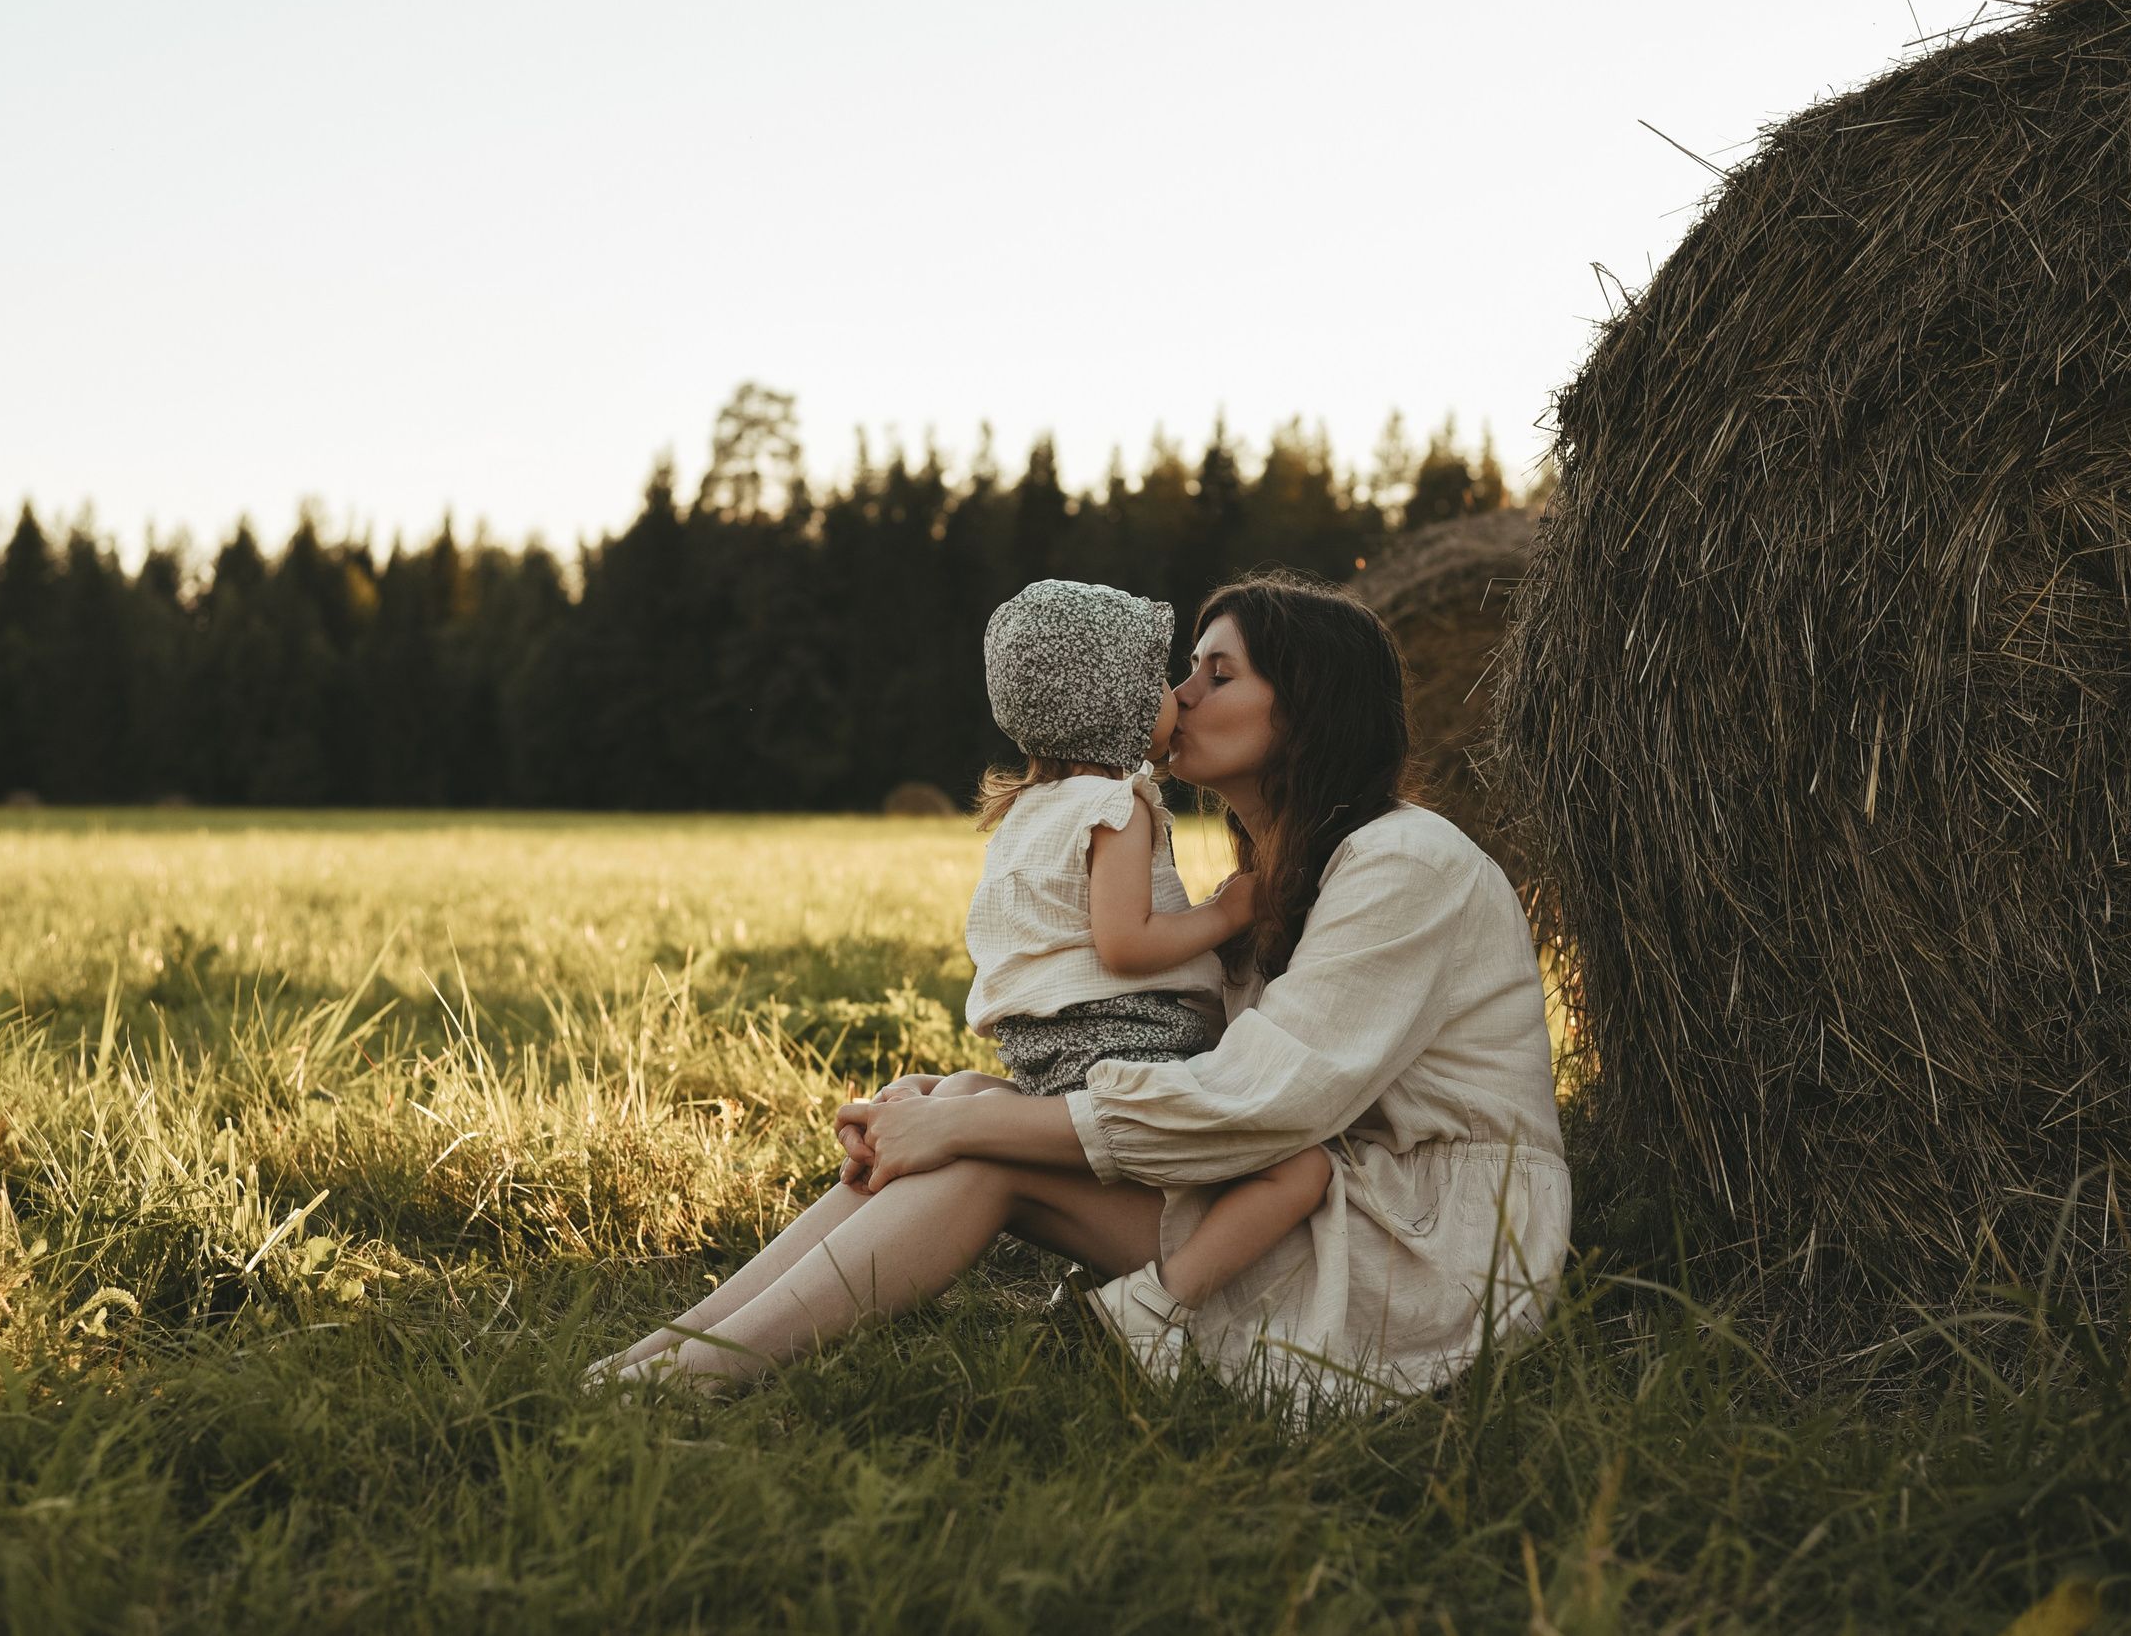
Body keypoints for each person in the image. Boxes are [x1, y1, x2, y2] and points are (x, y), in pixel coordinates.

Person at [589, 570, 1568, 1406]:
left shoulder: (1405, 862)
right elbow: (1203, 1081)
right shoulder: (1266, 877)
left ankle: (692, 1377)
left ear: (1307, 707)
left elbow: (1262, 1101)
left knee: (981, 1151)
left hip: (1419, 1252)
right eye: (1185, 668)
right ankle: (656, 1353)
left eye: (1215, 673)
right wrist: (950, 1104)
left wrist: (971, 1128)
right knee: (969, 1106)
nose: (1177, 696)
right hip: (1300, 1202)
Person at [858, 578, 1332, 1365]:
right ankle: (1161, 1307)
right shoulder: (1120, 805)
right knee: (1301, 1167)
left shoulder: (1028, 812)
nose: (1176, 696)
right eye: (1156, 682)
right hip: (1127, 1050)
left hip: (1047, 1057)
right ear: (1110, 705)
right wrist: (1226, 912)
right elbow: (1125, 944)